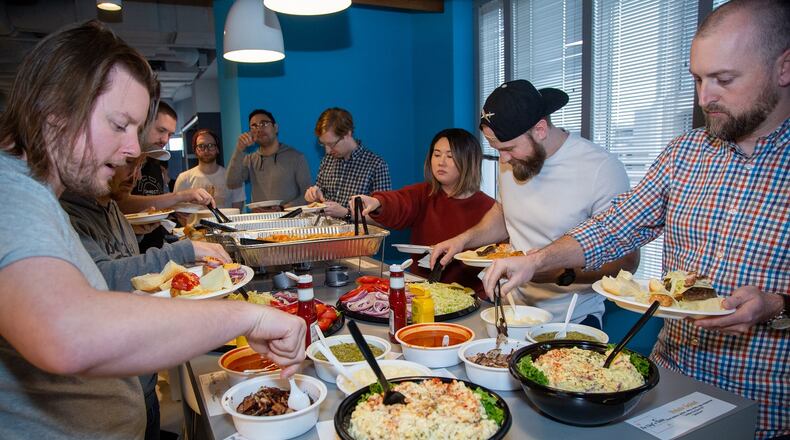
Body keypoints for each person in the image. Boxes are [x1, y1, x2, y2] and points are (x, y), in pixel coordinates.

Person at [481, 1, 789, 437]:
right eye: (697, 80)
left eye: (723, 79)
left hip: (765, 402)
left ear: (783, 67)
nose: (704, 99)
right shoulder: (685, 153)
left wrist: (777, 304)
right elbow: (614, 226)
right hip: (668, 383)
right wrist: (535, 260)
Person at [0, 20, 305, 440]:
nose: (131, 149)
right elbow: (67, 334)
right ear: (56, 111)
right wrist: (247, 318)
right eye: (118, 124)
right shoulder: (10, 190)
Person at [431, 81, 639, 328]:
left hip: (571, 319)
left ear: (540, 129)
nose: (503, 159)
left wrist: (561, 272)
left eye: (508, 149)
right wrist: (464, 240)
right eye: (497, 149)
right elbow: (504, 213)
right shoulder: (511, 157)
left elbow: (627, 261)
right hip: (511, 311)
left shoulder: (601, 169)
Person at [60, 152, 229, 440]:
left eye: (138, 166)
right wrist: (184, 250)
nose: (136, 176)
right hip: (106, 393)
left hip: (139, 377)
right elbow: (101, 276)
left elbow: (131, 270)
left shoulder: (111, 207)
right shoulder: (68, 215)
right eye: (126, 163)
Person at [349, 128, 495, 294]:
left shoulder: (490, 210)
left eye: (450, 156)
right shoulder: (423, 194)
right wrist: (376, 202)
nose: (441, 162)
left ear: (469, 161)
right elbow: (399, 202)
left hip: (470, 297)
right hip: (421, 291)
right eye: (437, 154)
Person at [305, 107, 392, 219]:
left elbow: (384, 219)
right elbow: (319, 205)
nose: (327, 150)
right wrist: (314, 197)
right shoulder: (327, 161)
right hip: (329, 234)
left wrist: (346, 213)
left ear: (347, 133)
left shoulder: (376, 165)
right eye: (323, 144)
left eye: (332, 144)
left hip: (360, 236)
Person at [226, 109, 312, 209]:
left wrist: (283, 208)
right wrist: (239, 149)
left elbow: (308, 196)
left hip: (289, 220)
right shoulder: (250, 159)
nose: (259, 129)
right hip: (260, 221)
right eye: (254, 126)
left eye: (264, 123)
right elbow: (231, 183)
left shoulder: (296, 157)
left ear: (275, 128)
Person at [174, 128, 245, 209]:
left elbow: (237, 210)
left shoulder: (232, 178)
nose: (206, 150)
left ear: (217, 149)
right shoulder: (184, 179)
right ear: (195, 151)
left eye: (211, 145)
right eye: (201, 146)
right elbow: (178, 212)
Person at [132, 101, 177, 197]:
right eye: (161, 130)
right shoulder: (119, 161)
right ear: (143, 124)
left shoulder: (157, 163)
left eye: (170, 135)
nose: (165, 140)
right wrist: (176, 197)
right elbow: (121, 202)